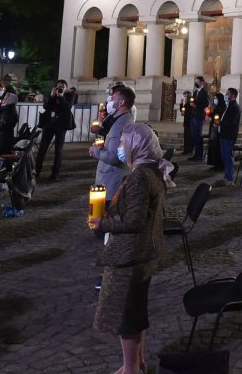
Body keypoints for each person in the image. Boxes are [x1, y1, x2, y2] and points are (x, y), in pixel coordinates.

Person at [89, 122, 172, 374]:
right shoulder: (152, 170)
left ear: (137, 145)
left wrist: (102, 223)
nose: (122, 147)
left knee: (125, 315)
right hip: (146, 251)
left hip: (131, 254)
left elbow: (134, 220)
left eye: (125, 142)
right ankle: (137, 363)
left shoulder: (139, 177)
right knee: (134, 311)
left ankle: (130, 369)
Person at [90, 86, 136, 200]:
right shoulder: (117, 119)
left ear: (121, 102)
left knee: (106, 213)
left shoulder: (121, 125)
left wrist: (97, 151)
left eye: (113, 99)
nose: (109, 101)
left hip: (112, 180)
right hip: (110, 177)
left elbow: (115, 157)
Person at [36, 80, 72, 181]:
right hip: (49, 124)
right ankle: (36, 171)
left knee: (58, 150)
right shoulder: (51, 95)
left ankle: (55, 174)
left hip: (61, 125)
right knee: (42, 148)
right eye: (58, 87)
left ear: (66, 88)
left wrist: (61, 97)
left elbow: (68, 107)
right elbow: (46, 107)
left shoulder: (69, 95)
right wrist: (52, 96)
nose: (60, 89)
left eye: (62, 87)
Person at [216, 88, 240, 186]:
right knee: (224, 157)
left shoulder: (234, 107)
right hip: (224, 135)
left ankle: (229, 178)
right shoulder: (229, 106)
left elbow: (232, 122)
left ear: (233, 95)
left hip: (228, 136)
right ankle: (226, 177)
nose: (225, 95)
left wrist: (220, 123)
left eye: (227, 93)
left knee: (227, 157)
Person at [188, 76, 209, 161]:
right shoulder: (195, 92)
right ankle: (196, 154)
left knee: (198, 135)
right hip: (193, 116)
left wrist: (196, 106)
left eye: (198, 82)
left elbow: (206, 104)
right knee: (194, 135)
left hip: (199, 116)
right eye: (195, 82)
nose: (196, 83)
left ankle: (199, 155)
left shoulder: (204, 93)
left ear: (202, 83)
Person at [179, 90, 193, 154]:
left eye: (185, 96)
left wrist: (184, 112)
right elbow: (183, 111)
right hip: (187, 122)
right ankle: (186, 150)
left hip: (189, 123)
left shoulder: (190, 103)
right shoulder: (187, 104)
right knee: (186, 137)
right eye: (184, 96)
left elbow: (189, 112)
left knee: (188, 137)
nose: (185, 98)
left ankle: (188, 150)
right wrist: (181, 104)